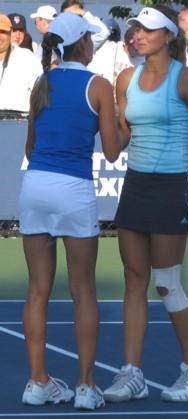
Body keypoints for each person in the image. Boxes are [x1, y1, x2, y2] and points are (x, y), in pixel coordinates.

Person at [103, 5, 188, 404]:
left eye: (147, 30)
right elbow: (118, 144)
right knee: (134, 279)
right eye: (135, 29)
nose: (138, 35)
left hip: (171, 189)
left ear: (168, 35)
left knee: (167, 284)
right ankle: (132, 373)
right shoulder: (124, 79)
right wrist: (103, 121)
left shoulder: (186, 80)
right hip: (134, 187)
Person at [18, 11, 121, 410]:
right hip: (73, 190)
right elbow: (112, 152)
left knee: (37, 291)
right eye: (90, 40)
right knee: (84, 292)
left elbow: (29, 148)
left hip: (35, 187)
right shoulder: (99, 85)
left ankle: (37, 382)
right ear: (82, 44)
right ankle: (85, 387)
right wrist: (123, 125)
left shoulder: (42, 83)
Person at [0, 14, 42, 112]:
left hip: (18, 122)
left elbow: (41, 95)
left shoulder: (27, 58)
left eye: (3, 32)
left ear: (10, 33)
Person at [88, 26, 144, 94]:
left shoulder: (147, 59)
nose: (136, 54)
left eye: (139, 52)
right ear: (124, 44)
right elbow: (92, 71)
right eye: (132, 51)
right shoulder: (109, 49)